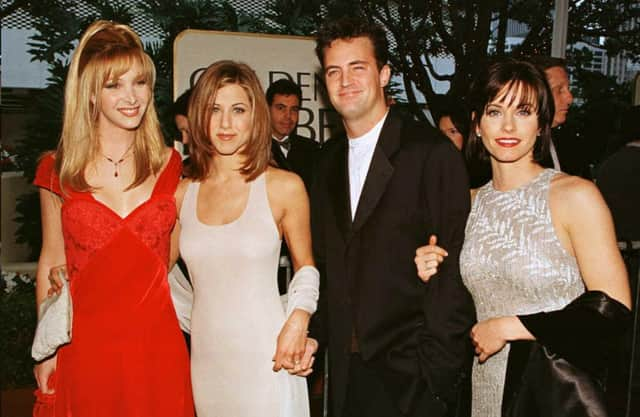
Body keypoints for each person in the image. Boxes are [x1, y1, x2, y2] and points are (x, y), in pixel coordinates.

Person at [415, 58, 631, 416]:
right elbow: (461, 303)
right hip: (484, 385)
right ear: (477, 125)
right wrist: (432, 271)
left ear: (542, 123)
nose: (509, 125)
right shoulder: (465, 204)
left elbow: (614, 309)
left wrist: (512, 326)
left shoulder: (575, 196)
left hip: (553, 392)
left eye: (524, 111)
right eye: (495, 111)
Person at [311, 16, 476, 417]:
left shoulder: (430, 153)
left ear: (384, 74)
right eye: (334, 70)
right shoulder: (323, 165)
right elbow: (328, 265)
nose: (345, 81)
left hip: (413, 376)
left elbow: (456, 265)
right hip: (347, 376)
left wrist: (437, 375)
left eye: (358, 67)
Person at [32, 20, 194, 417]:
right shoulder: (58, 169)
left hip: (156, 345)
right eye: (114, 85)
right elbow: (50, 260)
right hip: (85, 346)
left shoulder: (171, 165)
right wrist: (46, 348)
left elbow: (172, 255)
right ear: (90, 94)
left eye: (139, 82)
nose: (131, 97)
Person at [174, 60, 319, 417]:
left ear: (255, 115)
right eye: (214, 110)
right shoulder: (181, 194)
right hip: (207, 362)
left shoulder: (284, 186)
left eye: (238, 110)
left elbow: (306, 268)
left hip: (268, 356)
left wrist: (298, 321)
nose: (225, 123)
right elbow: (156, 273)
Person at [267, 78, 320, 190]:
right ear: (267, 109)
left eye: (294, 109)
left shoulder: (312, 149)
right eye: (281, 108)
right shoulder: (253, 149)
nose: (288, 116)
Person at [529, 56, 574, 171]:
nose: (570, 99)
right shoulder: (514, 148)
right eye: (559, 90)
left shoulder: (566, 143)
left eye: (568, 89)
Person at [437, 98, 491, 188]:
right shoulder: (440, 167)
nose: (445, 138)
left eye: (453, 132)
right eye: (442, 133)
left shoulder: (485, 171)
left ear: (467, 132)